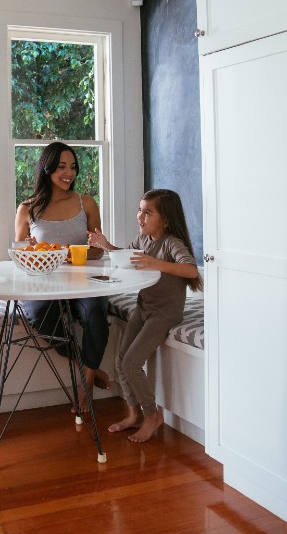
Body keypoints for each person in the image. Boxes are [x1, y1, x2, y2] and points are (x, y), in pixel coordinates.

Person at [87, 189, 203, 443]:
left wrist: (157, 264)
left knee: (131, 363)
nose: (140, 216)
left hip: (164, 313)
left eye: (148, 212)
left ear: (166, 220)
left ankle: (152, 416)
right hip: (144, 307)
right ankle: (133, 415)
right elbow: (125, 258)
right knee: (120, 361)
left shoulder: (172, 243)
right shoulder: (143, 240)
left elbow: (192, 270)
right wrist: (106, 245)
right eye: (140, 210)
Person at [15, 141, 110, 411]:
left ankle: (86, 385)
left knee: (96, 314)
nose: (69, 173)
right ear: (47, 169)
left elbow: (98, 251)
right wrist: (33, 249)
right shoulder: (27, 208)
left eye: (73, 167)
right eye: (61, 167)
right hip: (43, 283)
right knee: (38, 317)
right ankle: (89, 367)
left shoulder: (87, 203)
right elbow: (20, 253)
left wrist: (73, 253)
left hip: (84, 282)